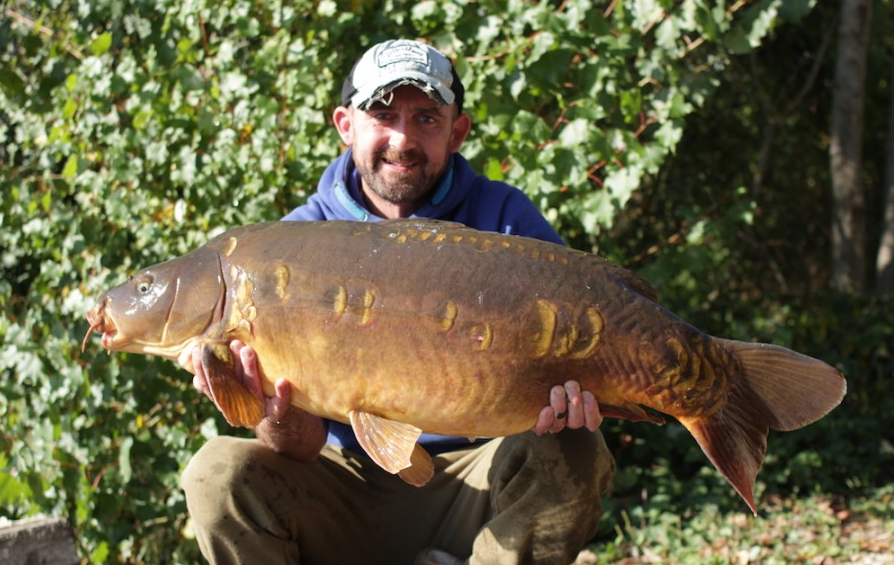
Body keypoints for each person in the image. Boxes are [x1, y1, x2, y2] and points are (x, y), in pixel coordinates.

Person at [180, 39, 616, 565]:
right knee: (215, 474)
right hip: (342, 485)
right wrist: (270, 410)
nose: (402, 139)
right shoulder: (291, 244)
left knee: (576, 450)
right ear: (346, 125)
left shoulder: (503, 218)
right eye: (382, 115)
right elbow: (297, 448)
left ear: (458, 131)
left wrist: (576, 402)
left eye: (426, 118)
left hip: (475, 480)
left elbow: (590, 351)